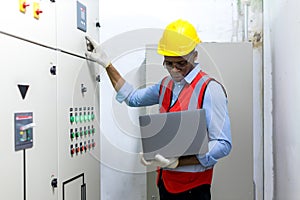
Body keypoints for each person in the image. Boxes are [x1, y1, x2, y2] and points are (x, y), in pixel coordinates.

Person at [85, 19, 232, 200]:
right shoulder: (165, 86)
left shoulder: (210, 89)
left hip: (193, 187)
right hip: (165, 183)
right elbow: (132, 97)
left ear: (194, 55)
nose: (174, 69)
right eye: (169, 64)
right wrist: (107, 64)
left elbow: (223, 144)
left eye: (181, 63)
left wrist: (179, 162)